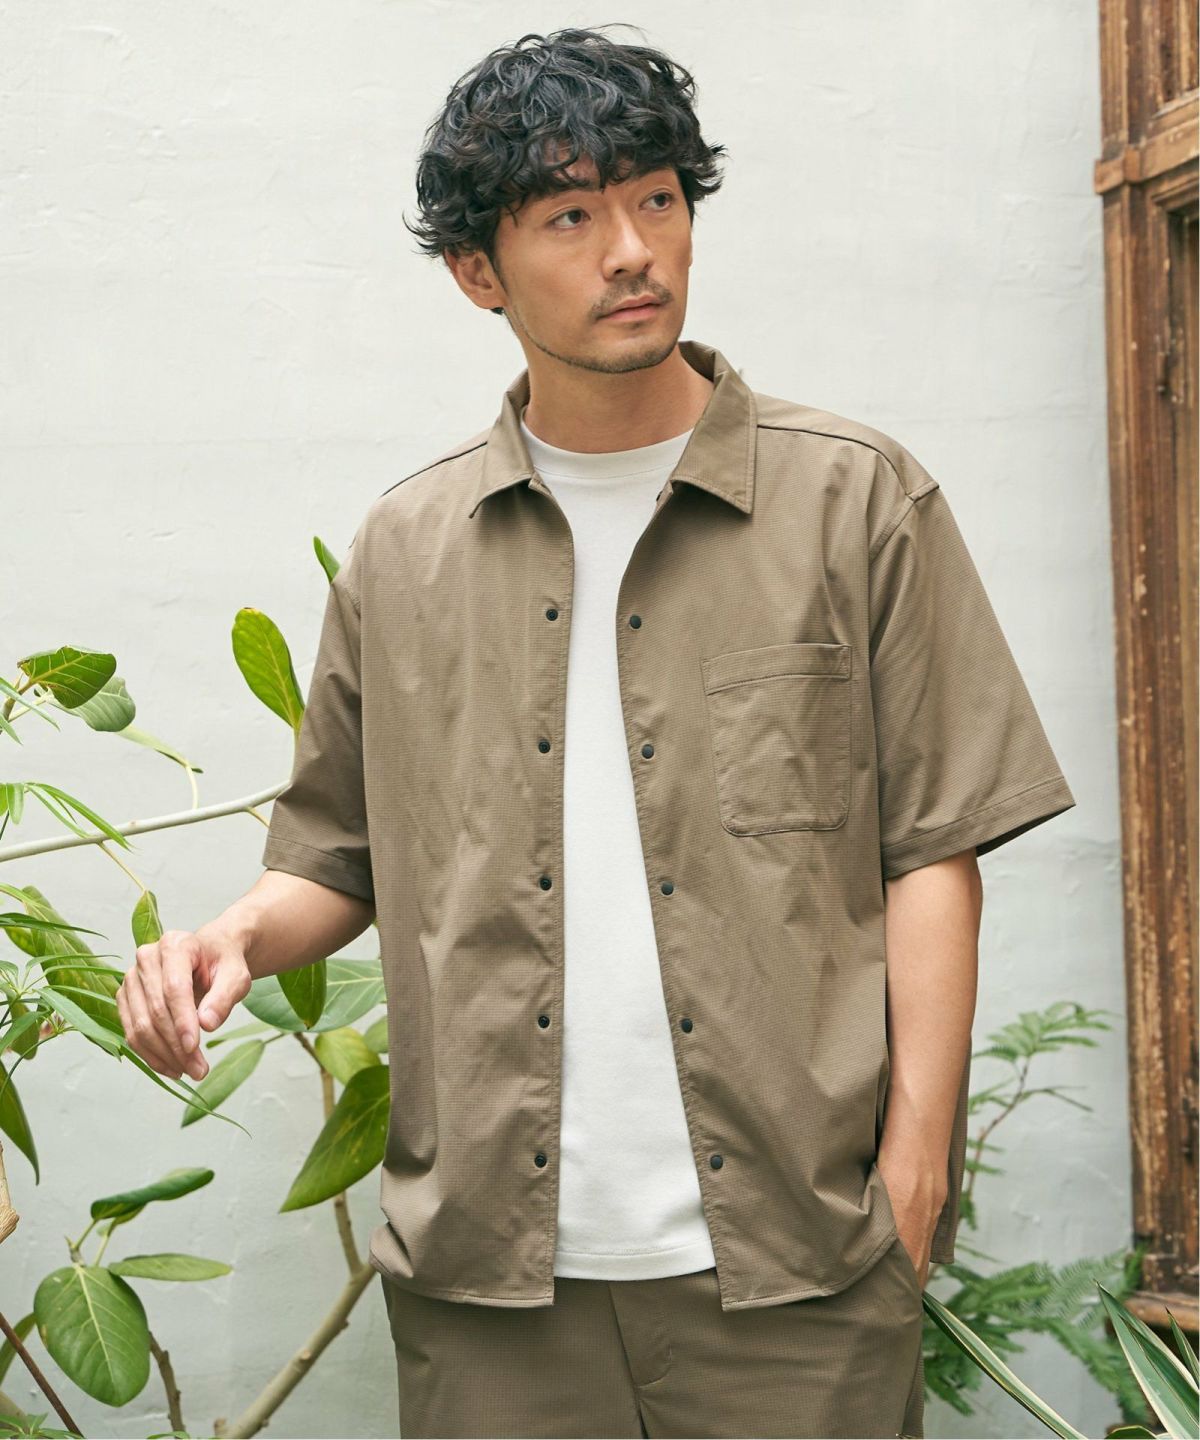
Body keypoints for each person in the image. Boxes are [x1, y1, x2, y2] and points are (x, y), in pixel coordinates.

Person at [117, 24, 1077, 1439]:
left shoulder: (855, 501)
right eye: (571, 217)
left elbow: (933, 849)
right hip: (492, 1296)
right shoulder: (406, 550)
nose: (632, 251)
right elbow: (336, 853)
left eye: (657, 200)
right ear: (478, 271)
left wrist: (917, 1165)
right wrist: (234, 943)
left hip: (797, 1279)